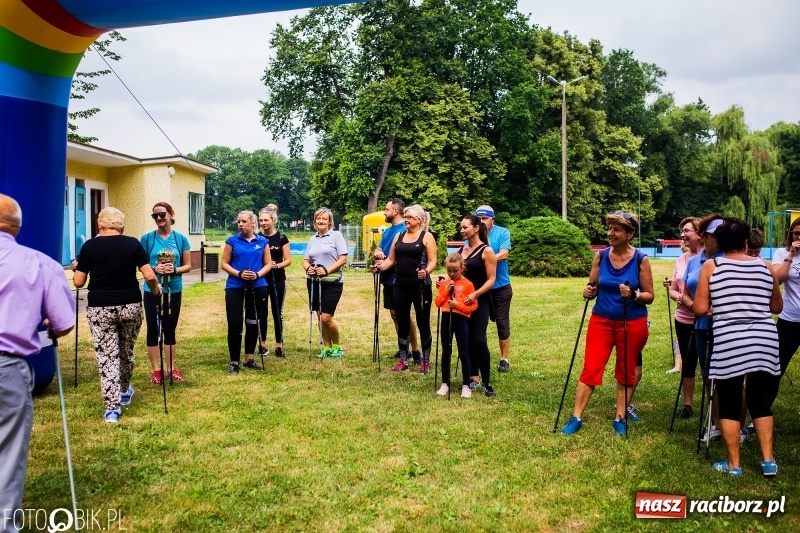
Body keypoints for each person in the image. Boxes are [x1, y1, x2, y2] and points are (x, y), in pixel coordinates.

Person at [0, 194, 75, 528]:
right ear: (16, 226)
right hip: (7, 368)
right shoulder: (39, 263)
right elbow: (63, 323)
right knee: (7, 451)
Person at [694, 217, 782, 477]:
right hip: (765, 339)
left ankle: (734, 466)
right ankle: (768, 461)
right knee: (760, 401)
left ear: (719, 242)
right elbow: (776, 307)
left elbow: (700, 308)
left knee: (731, 402)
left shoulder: (712, 265)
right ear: (746, 241)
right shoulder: (765, 266)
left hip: (730, 339)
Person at [561, 210, 654, 436]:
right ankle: (576, 417)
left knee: (625, 370)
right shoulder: (601, 256)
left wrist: (633, 294)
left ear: (630, 233)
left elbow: (649, 295)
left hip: (631, 322)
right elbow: (593, 286)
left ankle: (620, 417)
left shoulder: (641, 259)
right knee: (591, 368)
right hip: (601, 320)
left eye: (616, 229)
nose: (610, 233)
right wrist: (588, 291)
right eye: (610, 228)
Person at [73, 207, 161, 422]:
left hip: (100, 307)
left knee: (107, 356)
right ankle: (123, 391)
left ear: (99, 226)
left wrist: (77, 267)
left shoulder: (89, 246)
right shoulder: (133, 244)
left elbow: (78, 282)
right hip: (130, 304)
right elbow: (148, 274)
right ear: (122, 226)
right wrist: (156, 289)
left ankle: (112, 408)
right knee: (126, 350)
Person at [375, 205, 437, 373]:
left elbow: (433, 261)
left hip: (420, 286)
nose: (406, 219)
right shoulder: (399, 236)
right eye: (406, 216)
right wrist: (380, 267)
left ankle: (425, 361)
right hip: (399, 284)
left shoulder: (426, 237)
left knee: (422, 322)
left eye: (409, 217)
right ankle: (404, 360)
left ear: (419, 220)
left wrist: (426, 271)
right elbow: (391, 260)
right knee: (402, 322)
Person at [680, 213, 724, 439]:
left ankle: (728, 421)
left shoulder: (728, 258)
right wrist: (696, 306)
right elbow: (685, 292)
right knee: (707, 374)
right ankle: (714, 422)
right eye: (711, 235)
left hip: (725, 325)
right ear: (704, 236)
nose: (714, 239)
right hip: (700, 324)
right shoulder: (695, 261)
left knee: (726, 376)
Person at [140, 202, 191, 384]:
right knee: (153, 328)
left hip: (174, 289)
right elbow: (141, 265)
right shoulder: (147, 239)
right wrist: (156, 268)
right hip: (152, 289)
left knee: (170, 327)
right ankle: (156, 370)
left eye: (162, 214)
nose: (159, 219)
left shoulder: (181, 239)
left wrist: (174, 270)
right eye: (155, 216)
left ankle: (170, 368)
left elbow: (188, 265)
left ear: (170, 214)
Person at [221, 211, 271, 373]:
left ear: (252, 223)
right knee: (235, 323)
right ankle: (234, 361)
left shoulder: (262, 241)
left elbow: (268, 264)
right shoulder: (232, 241)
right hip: (235, 286)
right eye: (239, 222)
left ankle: (249, 358)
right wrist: (239, 274)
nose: (240, 224)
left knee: (252, 322)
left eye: (244, 221)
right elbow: (224, 263)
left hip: (258, 286)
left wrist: (257, 275)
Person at [373, 198, 422, 363]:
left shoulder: (405, 230)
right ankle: (404, 349)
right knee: (395, 314)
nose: (385, 212)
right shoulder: (387, 231)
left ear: (395, 211)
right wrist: (378, 254)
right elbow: (378, 249)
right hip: (387, 278)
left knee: (405, 316)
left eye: (386, 209)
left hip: (400, 279)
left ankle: (415, 350)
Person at [666, 217, 702, 418]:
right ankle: (687, 405)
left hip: (705, 319)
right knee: (688, 362)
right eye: (682, 231)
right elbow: (673, 290)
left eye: (687, 230)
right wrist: (682, 298)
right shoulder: (681, 259)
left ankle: (713, 406)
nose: (682, 235)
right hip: (683, 318)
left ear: (699, 233)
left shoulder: (710, 258)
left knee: (707, 363)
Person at [458, 215, 498, 396]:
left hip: (480, 301)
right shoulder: (461, 250)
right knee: (466, 341)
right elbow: (455, 275)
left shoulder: (486, 251)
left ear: (475, 228)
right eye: (461, 227)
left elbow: (491, 279)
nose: (462, 230)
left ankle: (487, 382)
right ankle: (473, 378)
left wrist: (475, 294)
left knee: (479, 340)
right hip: (462, 302)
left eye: (465, 227)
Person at [304, 207, 349, 358]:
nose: (321, 221)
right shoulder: (312, 239)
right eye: (318, 218)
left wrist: (326, 270)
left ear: (330, 222)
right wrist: (308, 268)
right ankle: (327, 348)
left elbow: (343, 259)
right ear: (314, 221)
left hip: (332, 281)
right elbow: (306, 260)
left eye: (324, 219)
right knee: (319, 316)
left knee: (326, 317)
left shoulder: (336, 236)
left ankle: (337, 346)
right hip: (314, 282)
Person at [475, 205, 513, 373]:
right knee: (478, 323)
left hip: (501, 286)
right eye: (480, 219)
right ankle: (477, 356)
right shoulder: (473, 235)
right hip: (481, 287)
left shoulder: (502, 233)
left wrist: (484, 259)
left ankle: (504, 359)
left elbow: (504, 254)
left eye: (485, 219)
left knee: (502, 323)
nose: (482, 222)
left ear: (493, 219)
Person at [435, 253, 478, 398]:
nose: (452, 274)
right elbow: (438, 303)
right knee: (446, 351)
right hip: (447, 317)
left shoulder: (468, 284)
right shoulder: (445, 283)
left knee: (464, 352)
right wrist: (446, 292)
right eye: (449, 271)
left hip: (461, 319)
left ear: (462, 268)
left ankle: (466, 385)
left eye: (455, 271)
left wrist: (458, 305)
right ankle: (445, 383)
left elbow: (473, 306)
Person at [258, 207, 291, 358]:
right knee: (262, 312)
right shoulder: (257, 238)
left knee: (277, 311)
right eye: (261, 220)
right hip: (261, 280)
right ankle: (262, 344)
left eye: (266, 220)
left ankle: (279, 345)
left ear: (273, 220)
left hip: (278, 279)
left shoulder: (282, 238)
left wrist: (276, 265)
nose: (263, 223)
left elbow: (288, 260)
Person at [771, 218, 800, 382]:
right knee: (777, 366)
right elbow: (777, 280)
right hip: (789, 318)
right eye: (796, 233)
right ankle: (765, 405)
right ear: (791, 234)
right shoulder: (782, 253)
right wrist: (791, 255)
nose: (799, 238)